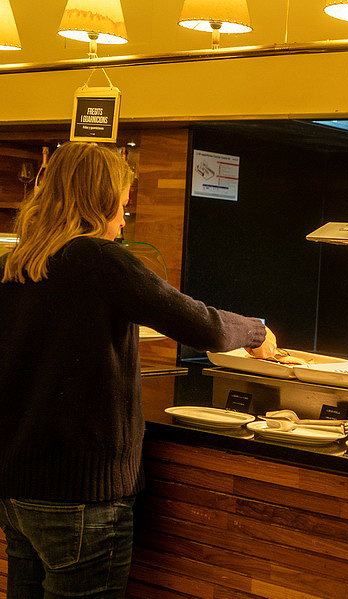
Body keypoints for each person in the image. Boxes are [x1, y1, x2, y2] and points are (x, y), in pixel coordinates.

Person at [0, 141, 277, 597]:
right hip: (81, 494)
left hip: (14, 488)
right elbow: (201, 325)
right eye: (122, 207)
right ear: (99, 202)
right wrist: (255, 331)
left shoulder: (15, 263)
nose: (123, 221)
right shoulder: (99, 260)